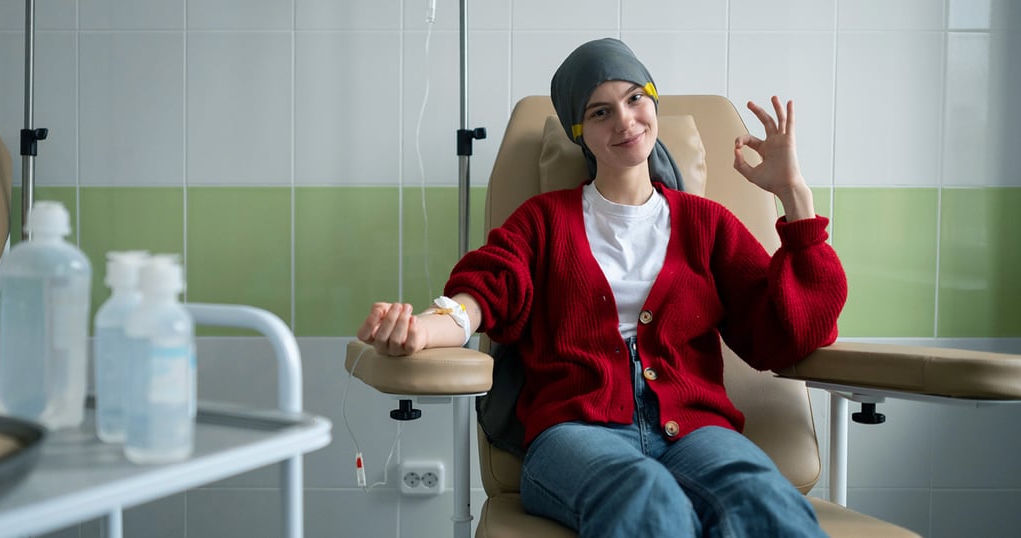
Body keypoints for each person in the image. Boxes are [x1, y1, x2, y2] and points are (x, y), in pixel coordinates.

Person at [357, 37, 845, 537]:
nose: (625, 120)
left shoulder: (708, 224)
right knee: (647, 498)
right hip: (575, 435)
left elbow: (793, 330)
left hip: (697, 434)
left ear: (654, 102)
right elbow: (482, 295)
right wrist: (421, 329)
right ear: (579, 133)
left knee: (765, 502)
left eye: (636, 98)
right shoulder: (543, 222)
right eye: (600, 112)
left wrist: (793, 192)